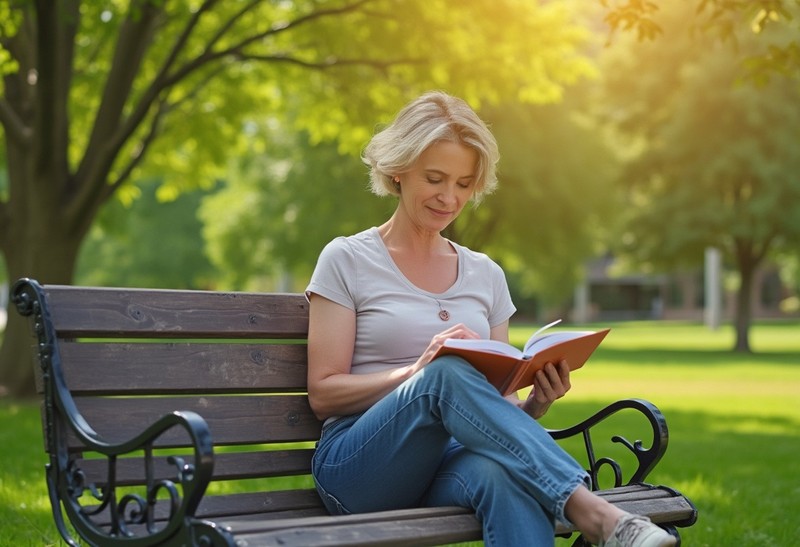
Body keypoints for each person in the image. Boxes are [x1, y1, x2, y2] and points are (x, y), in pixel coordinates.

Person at [305, 91, 675, 547]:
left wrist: (537, 403)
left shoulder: (485, 274)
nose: (449, 197)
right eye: (435, 178)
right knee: (446, 371)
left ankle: (594, 516)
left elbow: (499, 405)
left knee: (507, 480)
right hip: (358, 468)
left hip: (450, 460)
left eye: (463, 184)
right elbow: (323, 394)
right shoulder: (348, 259)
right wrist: (418, 373)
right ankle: (597, 515)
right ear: (398, 170)